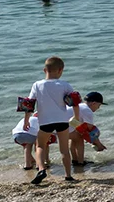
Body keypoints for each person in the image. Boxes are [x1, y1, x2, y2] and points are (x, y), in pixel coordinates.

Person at [20, 56, 79, 184]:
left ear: (44, 70)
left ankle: (41, 169)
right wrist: (76, 117)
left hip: (45, 121)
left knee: (40, 145)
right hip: (62, 121)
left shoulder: (37, 85)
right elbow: (75, 102)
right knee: (64, 149)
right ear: (61, 70)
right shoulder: (65, 85)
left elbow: (29, 104)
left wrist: (26, 121)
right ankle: (68, 175)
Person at [68, 91, 107, 166]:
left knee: (75, 135)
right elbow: (90, 131)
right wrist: (99, 144)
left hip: (56, 127)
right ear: (94, 103)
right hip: (62, 128)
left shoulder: (80, 106)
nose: (98, 108)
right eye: (99, 105)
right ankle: (80, 162)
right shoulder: (87, 111)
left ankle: (75, 160)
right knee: (79, 137)